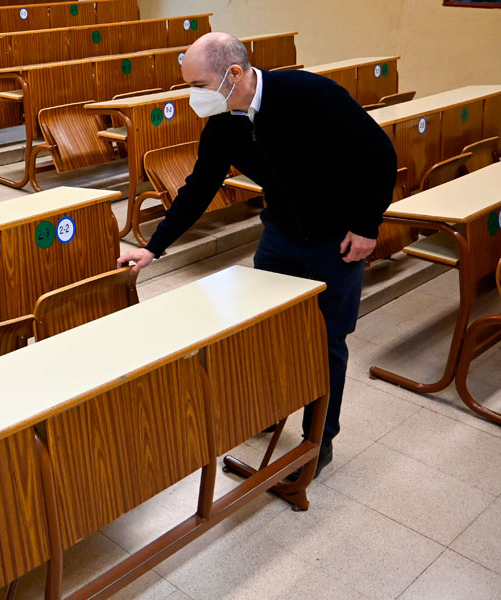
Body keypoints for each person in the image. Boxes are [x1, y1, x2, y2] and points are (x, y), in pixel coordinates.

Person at [117, 32, 397, 478]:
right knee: (266, 331)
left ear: (233, 74)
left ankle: (318, 438)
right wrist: (153, 246)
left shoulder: (310, 95)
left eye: (199, 85)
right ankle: (270, 408)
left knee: (327, 341)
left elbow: (380, 156)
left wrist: (367, 226)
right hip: (281, 236)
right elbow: (199, 187)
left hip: (336, 241)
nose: (194, 97)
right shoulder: (225, 123)